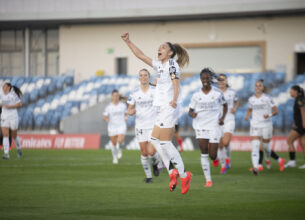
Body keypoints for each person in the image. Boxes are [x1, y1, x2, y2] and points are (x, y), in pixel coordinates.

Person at [121, 32, 192, 195]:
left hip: (169, 107)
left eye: (164, 47)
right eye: (159, 46)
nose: (159, 48)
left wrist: (174, 100)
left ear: (171, 53)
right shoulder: (160, 65)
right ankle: (172, 171)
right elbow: (140, 55)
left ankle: (183, 174)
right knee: (154, 140)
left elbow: (176, 84)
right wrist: (128, 41)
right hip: (161, 108)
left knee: (165, 143)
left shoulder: (172, 64)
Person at [189, 68, 227, 187]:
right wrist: (192, 114)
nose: (205, 80)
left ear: (210, 79)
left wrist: (222, 118)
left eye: (207, 78)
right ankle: (208, 180)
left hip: (214, 125)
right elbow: (190, 110)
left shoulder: (217, 93)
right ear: (200, 79)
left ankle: (216, 158)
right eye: (203, 78)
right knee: (204, 152)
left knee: (212, 155)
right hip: (200, 125)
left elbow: (225, 106)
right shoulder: (196, 95)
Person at [127, 69, 162, 183]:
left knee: (151, 152)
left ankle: (155, 163)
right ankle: (149, 177)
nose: (143, 77)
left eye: (145, 75)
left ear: (149, 77)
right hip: (140, 126)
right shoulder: (134, 92)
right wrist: (131, 112)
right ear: (139, 78)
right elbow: (129, 109)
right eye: (141, 75)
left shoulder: (155, 90)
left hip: (153, 125)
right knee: (144, 153)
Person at [244, 79, 285, 175]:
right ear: (254, 87)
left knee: (266, 147)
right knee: (255, 145)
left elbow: (276, 111)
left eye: (260, 86)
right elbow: (250, 109)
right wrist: (247, 116)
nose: (258, 87)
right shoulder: (251, 99)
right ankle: (255, 167)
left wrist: (269, 115)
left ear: (262, 88)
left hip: (266, 124)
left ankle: (278, 160)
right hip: (255, 124)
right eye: (256, 85)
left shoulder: (267, 98)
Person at [217, 73, 238, 174]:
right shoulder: (214, 92)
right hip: (218, 121)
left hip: (229, 119)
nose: (221, 81)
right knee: (220, 145)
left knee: (226, 142)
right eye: (219, 80)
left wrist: (234, 108)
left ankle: (227, 159)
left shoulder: (232, 92)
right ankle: (223, 164)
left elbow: (236, 101)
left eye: (223, 79)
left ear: (226, 81)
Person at [103, 89, 127, 164]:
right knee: (113, 143)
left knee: (119, 141)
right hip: (112, 126)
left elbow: (126, 113)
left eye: (117, 96)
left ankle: (119, 148)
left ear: (118, 96)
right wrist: (107, 119)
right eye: (114, 96)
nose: (115, 97)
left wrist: (126, 117)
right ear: (112, 97)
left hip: (121, 125)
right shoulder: (109, 107)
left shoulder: (122, 105)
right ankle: (115, 157)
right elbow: (104, 116)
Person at [1, 82, 23, 159]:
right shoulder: (1, 95)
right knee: (5, 135)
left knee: (14, 135)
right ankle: (6, 154)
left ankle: (19, 148)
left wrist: (10, 106)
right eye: (3, 86)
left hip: (13, 117)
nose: (3, 87)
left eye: (5, 86)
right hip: (4, 117)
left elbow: (20, 104)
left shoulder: (13, 95)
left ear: (9, 87)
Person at [285, 85, 305, 169]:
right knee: (303, 144)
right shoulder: (298, 99)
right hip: (299, 124)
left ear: (295, 91)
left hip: (300, 125)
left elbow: (303, 111)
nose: (290, 92)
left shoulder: (299, 99)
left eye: (291, 90)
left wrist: (304, 122)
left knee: (289, 141)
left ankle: (292, 161)